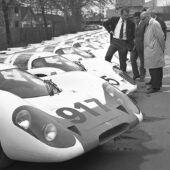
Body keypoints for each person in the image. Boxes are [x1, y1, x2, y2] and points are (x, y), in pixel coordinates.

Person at [103, 8, 135, 72]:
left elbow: (132, 36)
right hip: (114, 41)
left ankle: (123, 76)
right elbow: (105, 24)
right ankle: (108, 71)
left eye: (127, 15)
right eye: (124, 15)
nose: (126, 17)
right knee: (107, 57)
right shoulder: (114, 19)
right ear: (121, 14)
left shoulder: (131, 23)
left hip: (124, 43)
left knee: (122, 61)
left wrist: (130, 45)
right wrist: (110, 31)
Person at [140, 11, 165, 94]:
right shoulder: (149, 24)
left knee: (155, 69)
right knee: (153, 69)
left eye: (143, 19)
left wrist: (162, 49)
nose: (142, 21)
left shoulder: (155, 24)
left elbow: (161, 37)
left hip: (155, 50)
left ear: (148, 17)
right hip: (151, 50)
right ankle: (155, 84)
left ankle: (156, 87)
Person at [130, 12, 146, 81]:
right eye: (134, 19)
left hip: (142, 46)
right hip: (134, 46)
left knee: (142, 61)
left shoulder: (144, 24)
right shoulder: (133, 25)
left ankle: (142, 76)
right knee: (132, 59)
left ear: (140, 18)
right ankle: (136, 74)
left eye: (137, 18)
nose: (135, 20)